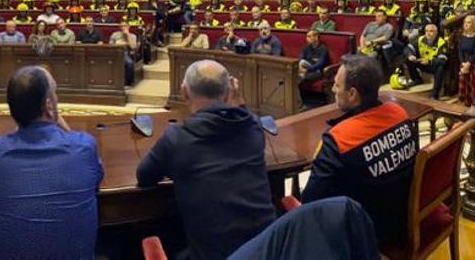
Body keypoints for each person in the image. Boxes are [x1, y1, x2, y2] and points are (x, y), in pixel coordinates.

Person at [137, 60, 275, 259]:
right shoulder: (252, 126)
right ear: (229, 92)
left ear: (184, 92)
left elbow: (144, 176)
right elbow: (246, 116)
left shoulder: (176, 138)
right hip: (268, 249)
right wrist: (239, 101)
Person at [0, 66, 102, 260]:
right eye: (55, 93)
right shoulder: (84, 147)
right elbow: (96, 176)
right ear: (48, 106)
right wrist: (61, 125)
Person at [301, 55, 418, 247]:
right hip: (401, 217)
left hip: (362, 235)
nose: (332, 89)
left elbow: (310, 202)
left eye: (337, 86)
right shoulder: (400, 114)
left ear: (353, 94)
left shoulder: (338, 140)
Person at [403, 23, 447, 99]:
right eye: (426, 31)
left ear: (436, 32)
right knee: (407, 59)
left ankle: (435, 94)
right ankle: (417, 79)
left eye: (431, 31)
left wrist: (429, 61)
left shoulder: (441, 42)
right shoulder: (421, 39)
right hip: (422, 62)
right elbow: (408, 48)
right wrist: (410, 55)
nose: (428, 33)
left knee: (441, 67)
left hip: (432, 65)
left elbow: (443, 60)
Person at [109, 21, 138, 85]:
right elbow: (110, 45)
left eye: (125, 26)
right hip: (115, 53)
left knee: (130, 63)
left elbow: (133, 47)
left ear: (128, 27)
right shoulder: (115, 34)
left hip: (125, 53)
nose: (123, 28)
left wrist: (127, 35)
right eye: (121, 26)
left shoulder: (133, 36)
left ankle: (127, 82)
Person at [459, 15, 475, 116]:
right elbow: (459, 50)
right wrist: (462, 63)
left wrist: (469, 64)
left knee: (473, 85)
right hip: (464, 63)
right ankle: (468, 105)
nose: (466, 24)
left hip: (473, 63)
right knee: (465, 85)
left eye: (469, 22)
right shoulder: (462, 36)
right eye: (465, 22)